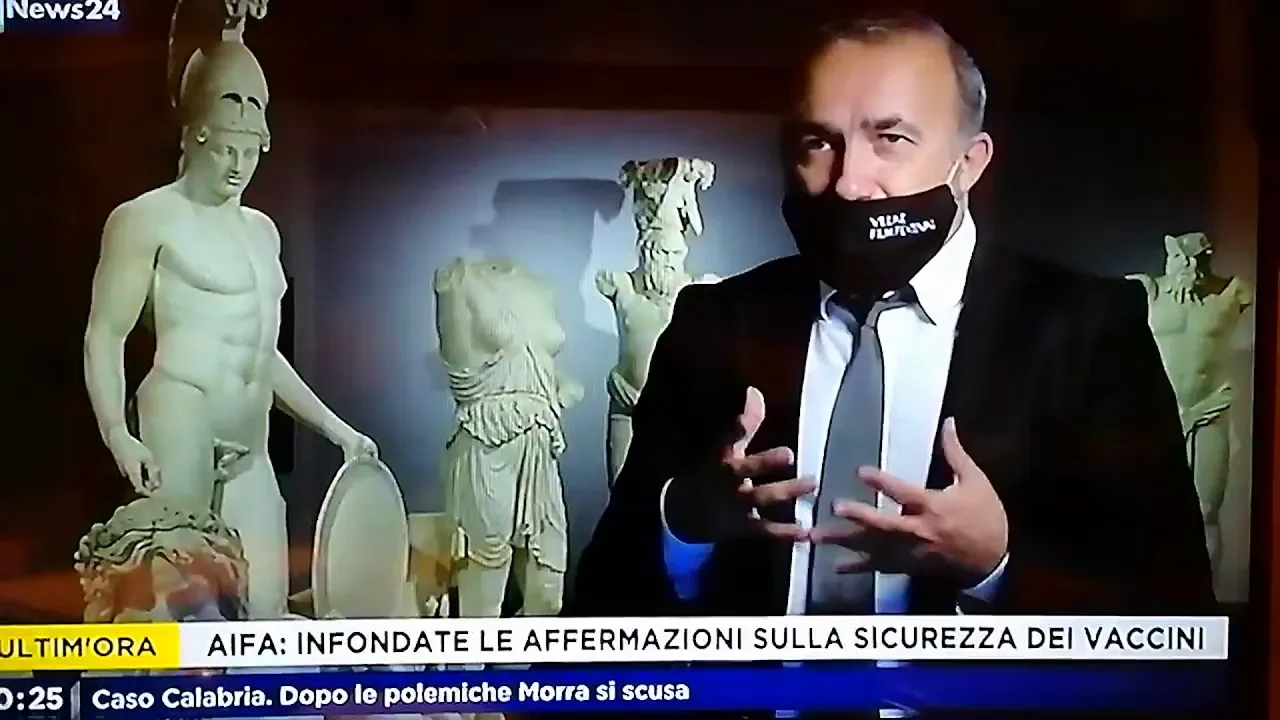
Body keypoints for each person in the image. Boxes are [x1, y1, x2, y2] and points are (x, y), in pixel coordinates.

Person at [570, 11, 1215, 622]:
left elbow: (1178, 607)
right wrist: (685, 523)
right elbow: (601, 602)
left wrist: (996, 567)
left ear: (969, 163)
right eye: (819, 142)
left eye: (891, 139)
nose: (849, 183)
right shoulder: (714, 322)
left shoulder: (1088, 330)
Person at [83, 40, 377, 619]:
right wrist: (118, 433)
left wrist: (335, 428)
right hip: (181, 413)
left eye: (250, 152)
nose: (239, 166)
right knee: (182, 601)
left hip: (251, 436)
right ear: (197, 137)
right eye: (225, 151)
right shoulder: (145, 219)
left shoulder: (263, 232)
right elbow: (105, 334)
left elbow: (263, 354)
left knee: (265, 605)